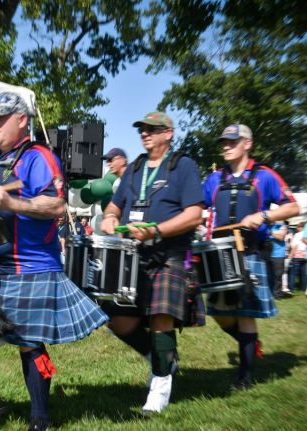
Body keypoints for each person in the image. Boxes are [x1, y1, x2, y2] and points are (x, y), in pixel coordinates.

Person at [0, 91, 107, 430]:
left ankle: (40, 417)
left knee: (28, 342)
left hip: (30, 266)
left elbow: (56, 207)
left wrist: (12, 204)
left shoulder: (38, 157)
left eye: (0, 117)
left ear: (22, 120)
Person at [100, 111, 205, 414]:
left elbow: (194, 214)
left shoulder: (183, 166)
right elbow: (114, 205)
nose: (145, 134)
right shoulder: (134, 168)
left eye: (151, 129)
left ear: (168, 134)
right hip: (134, 256)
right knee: (117, 320)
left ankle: (159, 387)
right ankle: (161, 359)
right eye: (142, 130)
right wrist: (109, 218)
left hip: (168, 255)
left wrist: (157, 229)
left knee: (160, 316)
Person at [202, 124, 300, 390]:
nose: (225, 146)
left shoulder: (264, 176)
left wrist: (264, 215)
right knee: (220, 315)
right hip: (220, 254)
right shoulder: (214, 179)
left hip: (251, 252)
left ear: (247, 144)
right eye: (223, 141)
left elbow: (293, 206)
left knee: (245, 314)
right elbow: (197, 207)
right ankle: (250, 343)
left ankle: (244, 376)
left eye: (232, 142)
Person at [267, 221, 291, 299]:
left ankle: (277, 294)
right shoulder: (266, 225)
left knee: (277, 276)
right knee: (268, 275)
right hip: (267, 253)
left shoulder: (281, 225)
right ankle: (269, 293)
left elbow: (281, 237)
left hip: (278, 255)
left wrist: (270, 232)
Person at [288, 221, 307, 293]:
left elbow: (294, 246)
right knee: (304, 273)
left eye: (298, 227)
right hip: (306, 255)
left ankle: (291, 288)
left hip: (297, 255)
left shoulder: (297, 235)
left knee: (293, 273)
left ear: (301, 227)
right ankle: (304, 288)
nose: (297, 228)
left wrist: (290, 257)